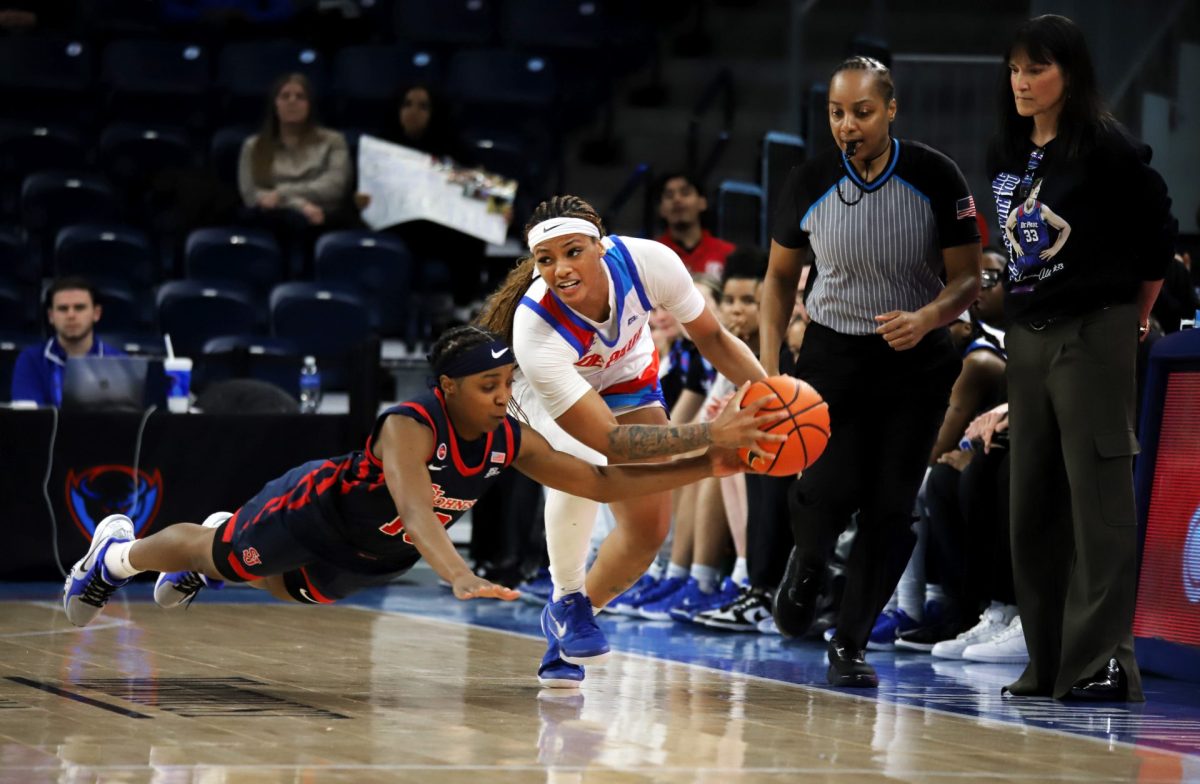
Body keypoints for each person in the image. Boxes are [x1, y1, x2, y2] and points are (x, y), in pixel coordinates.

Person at [61, 326, 755, 690]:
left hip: (376, 554)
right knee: (221, 554)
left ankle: (216, 554)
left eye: (507, 383)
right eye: (488, 385)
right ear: (447, 388)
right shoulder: (408, 424)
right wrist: (456, 574)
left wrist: (707, 462)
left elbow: (600, 484)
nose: (501, 396)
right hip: (317, 512)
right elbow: (420, 511)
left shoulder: (509, 435)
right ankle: (115, 554)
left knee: (285, 589)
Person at [478, 195, 779, 677]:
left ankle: (567, 626)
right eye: (546, 260)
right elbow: (611, 445)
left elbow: (714, 338)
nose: (561, 269)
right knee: (582, 467)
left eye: (573, 251)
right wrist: (710, 435)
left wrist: (774, 399)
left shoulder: (649, 262)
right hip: (546, 388)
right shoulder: (535, 327)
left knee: (648, 529)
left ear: (601, 246)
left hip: (623, 369)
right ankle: (568, 597)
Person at [759, 56, 982, 687]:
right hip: (832, 353)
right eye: (836, 112)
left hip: (916, 360)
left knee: (890, 508)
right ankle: (808, 558)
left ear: (890, 110)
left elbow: (969, 276)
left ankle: (850, 642)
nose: (847, 125)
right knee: (826, 488)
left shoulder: (936, 176)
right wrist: (771, 362)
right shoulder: (809, 180)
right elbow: (778, 279)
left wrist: (930, 316)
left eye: (861, 112)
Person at [986, 14, 1173, 702]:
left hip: (1094, 329)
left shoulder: (1109, 150)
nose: (1023, 82)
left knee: (1098, 503)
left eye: (1037, 69)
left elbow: (1158, 239)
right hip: (1026, 336)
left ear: (1071, 74)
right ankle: (1050, 660)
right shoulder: (1006, 148)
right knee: (1029, 502)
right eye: (1015, 69)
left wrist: (1137, 316)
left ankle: (1102, 663)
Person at [238, 72, 352, 231]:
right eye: (285, 96)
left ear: (310, 105)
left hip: (320, 219)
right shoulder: (253, 145)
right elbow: (251, 196)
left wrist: (281, 194)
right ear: (275, 104)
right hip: (268, 220)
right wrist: (300, 205)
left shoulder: (333, 141)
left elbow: (334, 187)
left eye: (300, 97)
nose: (292, 101)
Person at [11, 277, 125, 407]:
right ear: (51, 316)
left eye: (79, 308)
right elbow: (27, 418)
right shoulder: (31, 360)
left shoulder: (118, 362)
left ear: (96, 313)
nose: (71, 315)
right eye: (63, 309)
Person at [655, 172, 736, 279]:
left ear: (702, 203)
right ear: (661, 209)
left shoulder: (729, 253)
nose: (677, 200)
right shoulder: (652, 254)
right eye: (669, 196)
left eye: (685, 193)